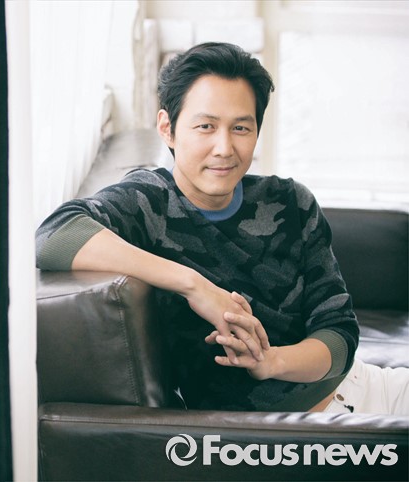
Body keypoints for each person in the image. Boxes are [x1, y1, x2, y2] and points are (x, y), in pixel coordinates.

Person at [35, 42, 408, 414]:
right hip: (286, 431)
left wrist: (272, 362)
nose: (224, 148)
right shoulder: (147, 202)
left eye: (241, 128)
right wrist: (195, 286)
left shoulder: (291, 201)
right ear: (167, 128)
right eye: (206, 127)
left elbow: (339, 334)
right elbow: (53, 236)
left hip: (362, 393)